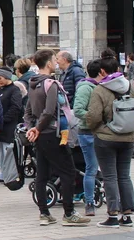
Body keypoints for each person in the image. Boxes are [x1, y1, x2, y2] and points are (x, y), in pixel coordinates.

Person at [24, 50, 91, 227]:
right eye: (54, 59)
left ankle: (44, 213)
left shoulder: (33, 83)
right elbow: (49, 111)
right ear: (48, 63)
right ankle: (69, 213)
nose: (56, 62)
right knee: (68, 172)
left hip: (40, 135)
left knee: (42, 174)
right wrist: (38, 128)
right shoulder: (51, 84)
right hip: (54, 133)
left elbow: (28, 111)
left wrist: (32, 129)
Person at [84, 54, 134, 228]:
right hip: (128, 137)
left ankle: (113, 215)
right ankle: (127, 214)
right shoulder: (129, 87)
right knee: (124, 176)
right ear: (117, 69)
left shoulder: (100, 90)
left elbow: (93, 116)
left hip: (106, 137)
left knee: (110, 176)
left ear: (102, 71)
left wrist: (95, 127)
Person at [72, 59, 103, 216]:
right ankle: (89, 202)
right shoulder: (85, 87)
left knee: (106, 170)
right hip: (88, 132)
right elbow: (78, 109)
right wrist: (94, 118)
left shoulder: (100, 86)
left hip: (101, 132)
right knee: (91, 168)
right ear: (100, 72)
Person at [0, 68, 23, 189]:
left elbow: (16, 107)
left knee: (8, 152)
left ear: (7, 77)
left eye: (0, 78)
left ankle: (10, 176)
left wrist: (3, 119)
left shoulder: (14, 90)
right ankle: (3, 174)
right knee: (0, 152)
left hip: (8, 126)